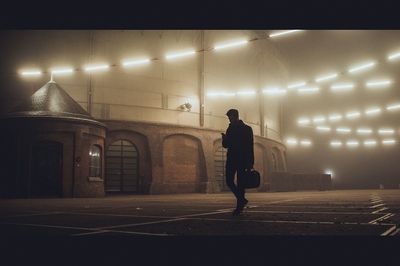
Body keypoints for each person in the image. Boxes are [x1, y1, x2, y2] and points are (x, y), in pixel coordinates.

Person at [222, 109, 254, 216]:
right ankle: (241, 199)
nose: (229, 119)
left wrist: (250, 162)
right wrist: (224, 139)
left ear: (235, 116)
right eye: (228, 117)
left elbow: (250, 146)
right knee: (229, 181)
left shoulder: (247, 129)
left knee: (241, 184)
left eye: (230, 117)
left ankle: (239, 207)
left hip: (242, 159)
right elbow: (226, 145)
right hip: (232, 158)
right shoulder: (230, 129)